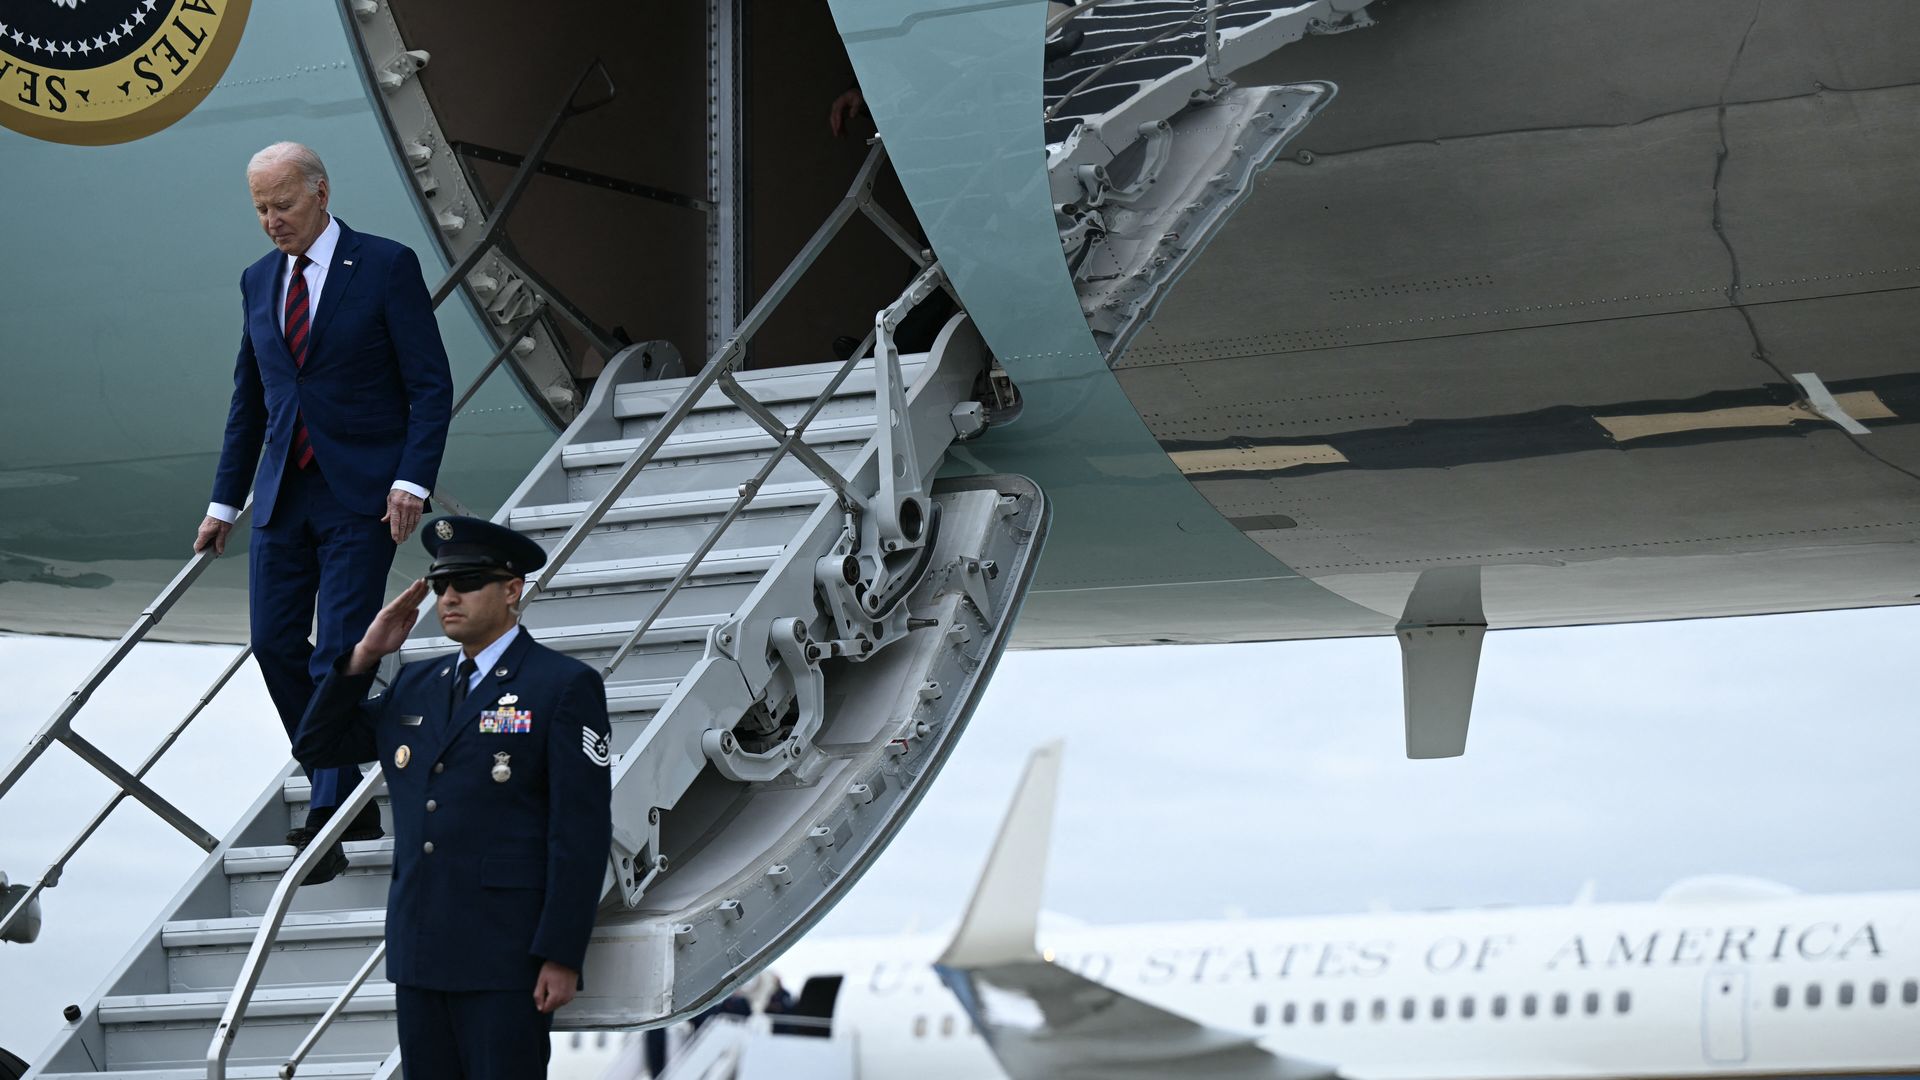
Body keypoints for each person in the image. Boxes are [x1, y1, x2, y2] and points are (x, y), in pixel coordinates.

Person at [195, 141, 454, 883]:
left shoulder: (383, 265)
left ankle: (328, 813)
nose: (271, 221)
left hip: (363, 493)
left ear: (320, 192)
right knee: (273, 645)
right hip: (282, 493)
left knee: (337, 647)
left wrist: (411, 481)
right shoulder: (256, 281)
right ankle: (347, 763)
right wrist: (222, 501)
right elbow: (252, 401)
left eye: (282, 204)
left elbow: (429, 386)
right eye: (260, 209)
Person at [294, 517, 612, 1077]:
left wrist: (561, 952)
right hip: (421, 948)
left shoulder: (560, 685)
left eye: (466, 583)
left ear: (511, 590)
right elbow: (317, 745)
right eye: (441, 586)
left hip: (506, 953)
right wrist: (365, 654)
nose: (449, 597)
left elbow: (580, 832)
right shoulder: (418, 683)